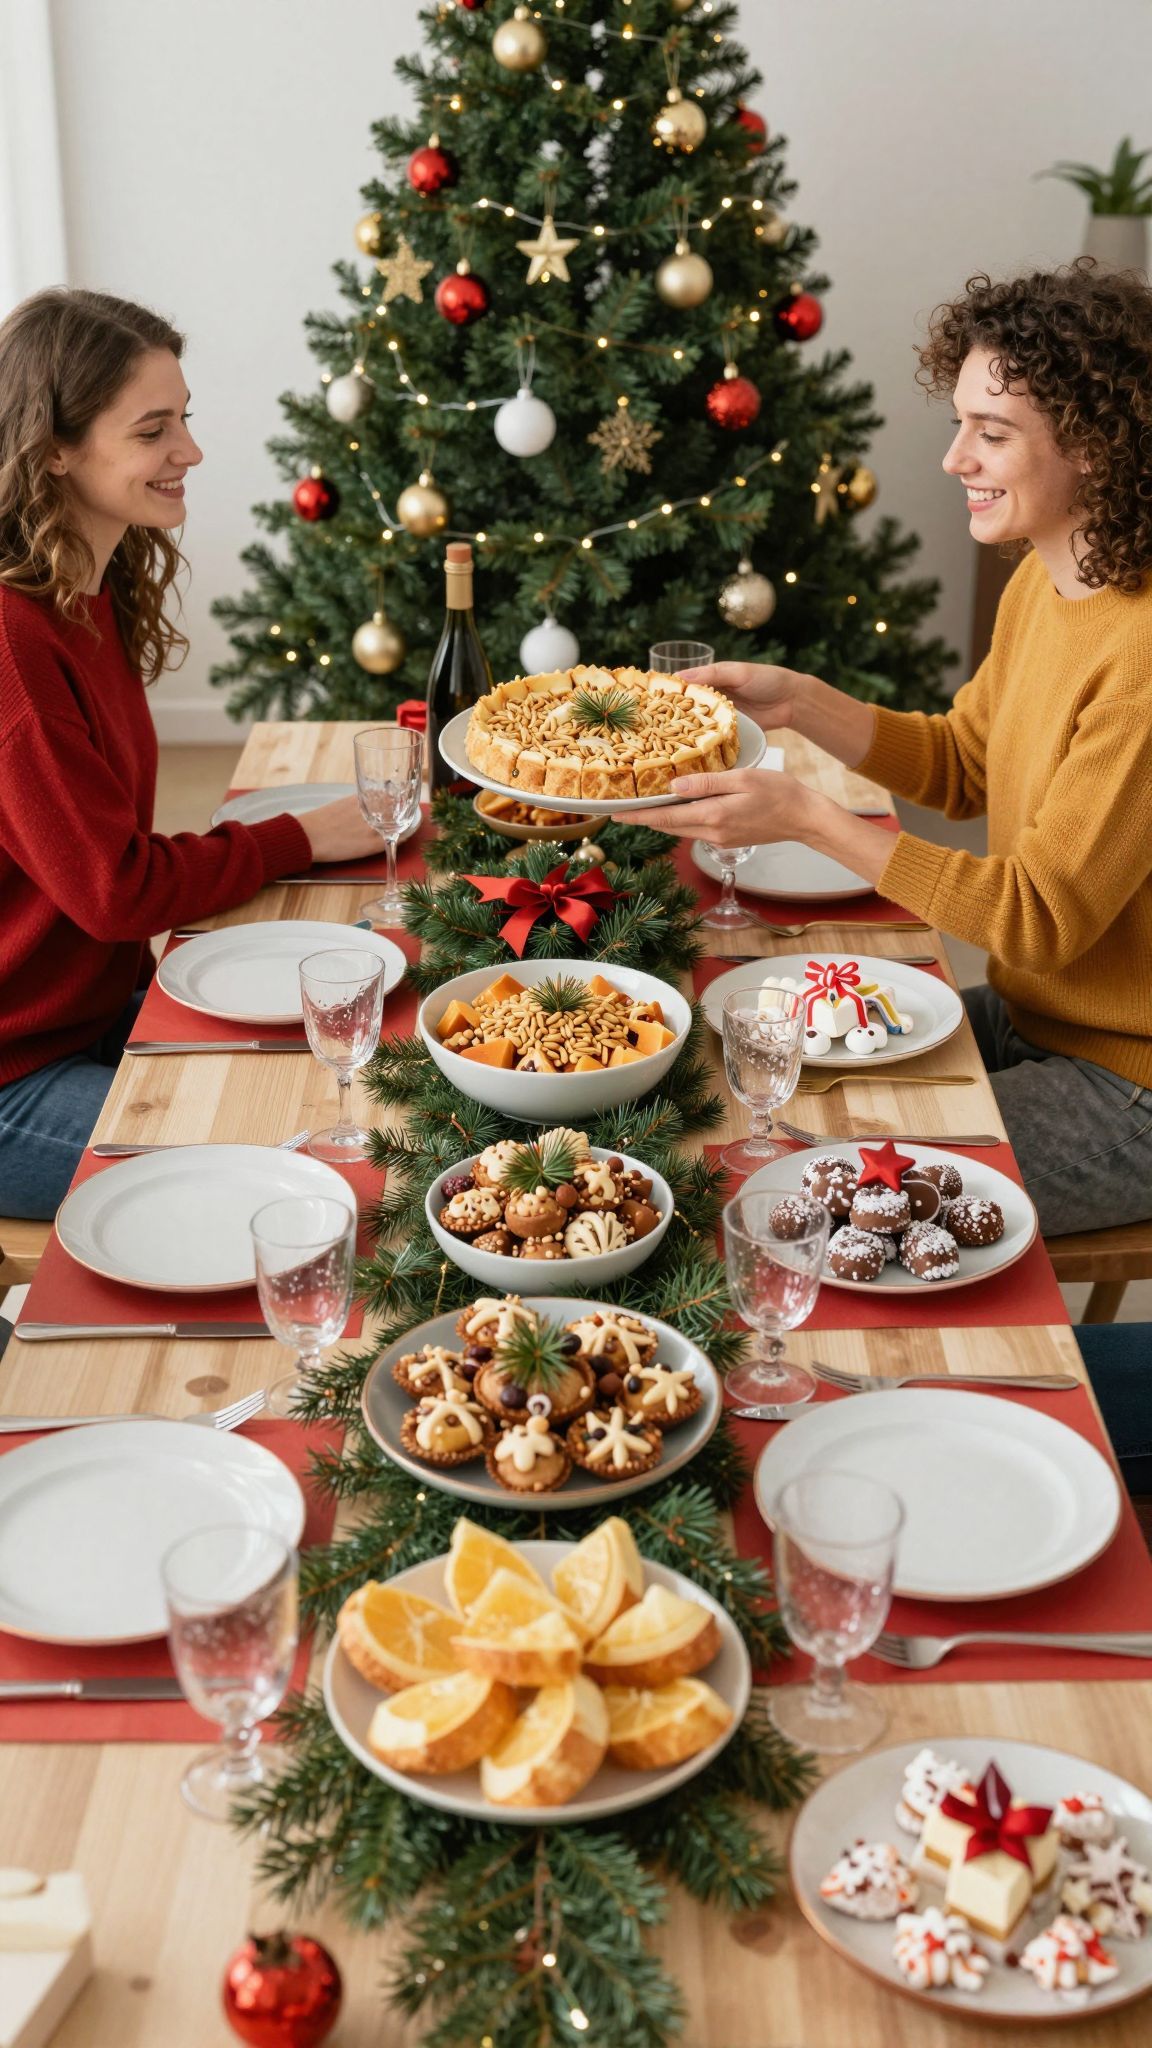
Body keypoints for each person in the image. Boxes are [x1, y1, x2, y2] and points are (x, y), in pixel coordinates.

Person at [627, 265, 1152, 1237]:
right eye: (961, 423)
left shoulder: (1142, 659)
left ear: (1097, 448)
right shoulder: (1050, 579)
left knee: (821, 1192)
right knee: (767, 1092)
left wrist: (810, 819)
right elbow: (964, 764)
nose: (955, 458)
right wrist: (803, 702)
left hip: (1132, 1084)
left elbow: (1035, 920)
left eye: (991, 434)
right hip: (1045, 1020)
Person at [0, 288, 383, 1219]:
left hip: (84, 1020)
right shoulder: (12, 647)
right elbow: (115, 889)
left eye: (186, 420)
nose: (191, 452)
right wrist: (301, 837)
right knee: (308, 1184)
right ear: (54, 448)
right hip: (14, 1078)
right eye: (152, 430)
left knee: (349, 1082)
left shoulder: (87, 591)